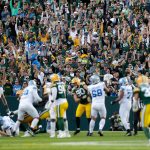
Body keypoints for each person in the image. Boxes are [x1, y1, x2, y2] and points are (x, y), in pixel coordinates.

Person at [50, 74, 70, 138]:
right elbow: (65, 93)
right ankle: (67, 133)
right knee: (64, 118)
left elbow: (54, 96)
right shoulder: (62, 84)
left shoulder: (54, 85)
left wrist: (52, 101)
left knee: (59, 118)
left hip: (59, 103)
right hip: (65, 102)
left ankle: (62, 132)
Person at [133, 76, 150, 145]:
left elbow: (135, 99)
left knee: (144, 125)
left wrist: (134, 106)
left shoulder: (137, 88)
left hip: (148, 105)